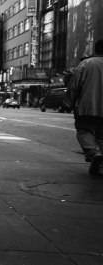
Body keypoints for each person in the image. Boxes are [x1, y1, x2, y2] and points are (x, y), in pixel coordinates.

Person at [64, 39, 103, 176]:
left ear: (96, 50)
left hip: (87, 108)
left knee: (85, 131)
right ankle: (99, 162)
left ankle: (94, 153)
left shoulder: (87, 63)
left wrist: (68, 104)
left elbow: (74, 86)